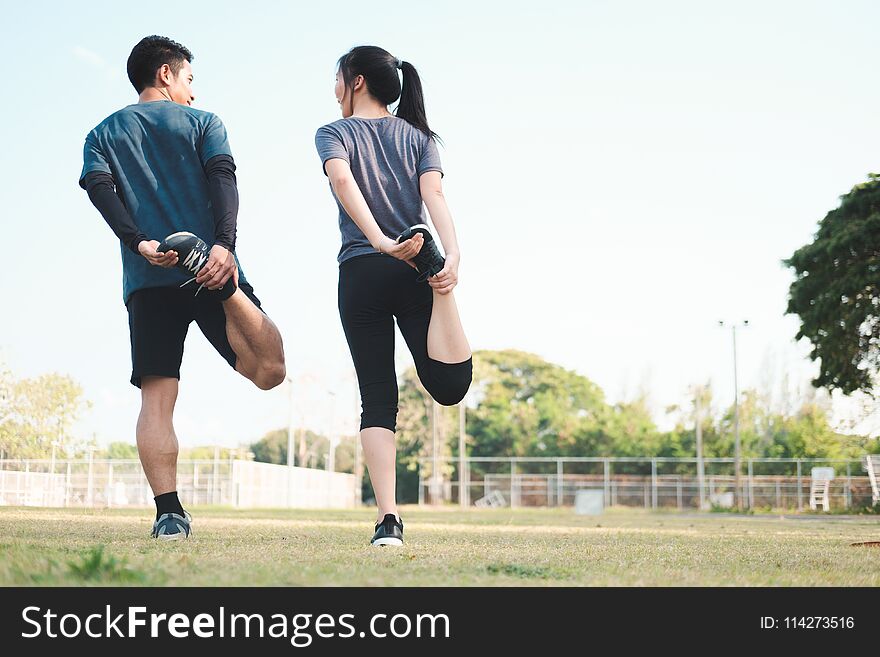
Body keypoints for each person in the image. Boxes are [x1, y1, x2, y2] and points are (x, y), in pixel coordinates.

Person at [79, 36, 286, 540]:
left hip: (148, 275)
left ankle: (169, 514)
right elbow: (223, 176)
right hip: (210, 263)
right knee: (270, 369)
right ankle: (222, 284)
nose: (193, 92)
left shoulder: (100, 134)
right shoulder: (204, 122)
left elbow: (100, 191)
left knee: (156, 401)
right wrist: (224, 246)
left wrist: (138, 244)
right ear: (166, 75)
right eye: (189, 79)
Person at [315, 45, 472, 546]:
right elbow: (435, 197)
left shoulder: (333, 132)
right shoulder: (418, 137)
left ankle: (388, 521)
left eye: (337, 79)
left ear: (356, 81)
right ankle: (441, 284)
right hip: (415, 263)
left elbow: (342, 179)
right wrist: (453, 255)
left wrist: (381, 243)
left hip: (362, 269)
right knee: (449, 387)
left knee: (377, 400)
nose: (334, 89)